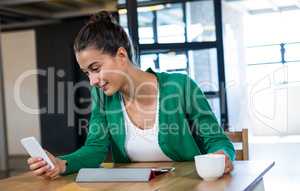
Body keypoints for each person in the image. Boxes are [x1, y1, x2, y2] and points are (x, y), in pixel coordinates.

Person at [27, 11, 235, 180]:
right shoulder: (103, 97)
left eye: (96, 68)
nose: (92, 80)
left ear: (121, 55)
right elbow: (95, 148)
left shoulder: (181, 87)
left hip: (187, 187)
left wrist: (221, 156)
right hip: (133, 190)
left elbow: (217, 140)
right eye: (87, 73)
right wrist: (63, 163)